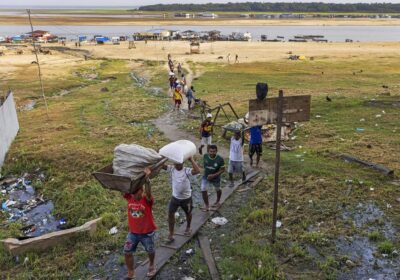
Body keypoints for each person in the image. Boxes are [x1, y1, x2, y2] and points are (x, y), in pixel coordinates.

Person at [123, 168, 157, 279]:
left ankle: (152, 265)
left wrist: (147, 179)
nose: (133, 194)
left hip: (147, 233)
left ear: (141, 191)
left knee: (150, 250)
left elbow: (149, 192)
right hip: (133, 233)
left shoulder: (147, 200)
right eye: (132, 193)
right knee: (127, 252)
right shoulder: (129, 198)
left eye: (136, 192)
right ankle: (130, 272)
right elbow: (123, 188)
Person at [163, 157, 200, 242]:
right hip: (175, 198)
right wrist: (164, 158)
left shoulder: (186, 170)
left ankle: (188, 227)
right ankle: (171, 233)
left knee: (188, 213)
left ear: (182, 163)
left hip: (186, 198)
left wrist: (191, 160)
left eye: (178, 164)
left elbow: (197, 171)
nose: (176, 165)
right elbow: (162, 166)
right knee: (170, 214)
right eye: (175, 164)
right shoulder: (172, 169)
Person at [201, 145, 225, 211]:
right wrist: (200, 149)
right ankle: (207, 205)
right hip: (206, 176)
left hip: (216, 178)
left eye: (214, 151)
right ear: (208, 151)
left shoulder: (220, 159)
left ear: (216, 151)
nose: (212, 153)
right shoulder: (205, 156)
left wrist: (214, 175)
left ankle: (217, 201)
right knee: (203, 189)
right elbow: (201, 154)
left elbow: (223, 169)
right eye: (210, 151)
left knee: (218, 189)